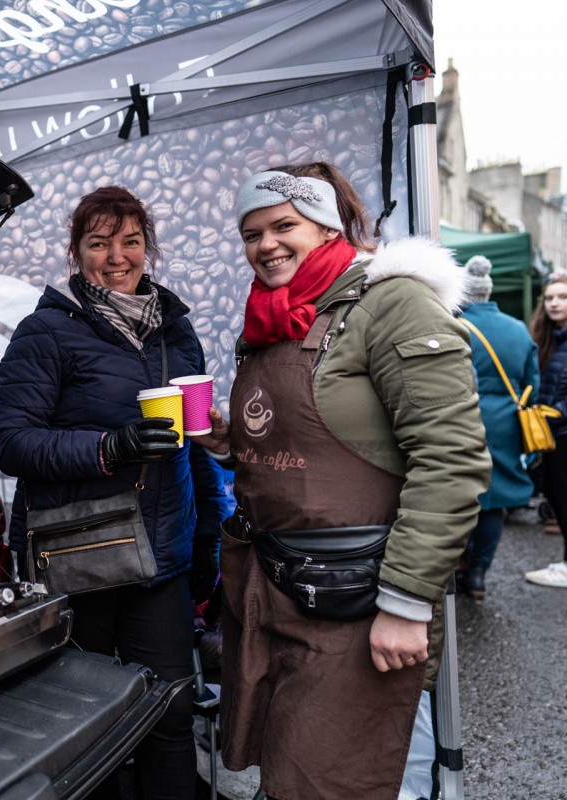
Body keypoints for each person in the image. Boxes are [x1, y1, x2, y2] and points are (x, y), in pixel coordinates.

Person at [194, 162, 490, 800]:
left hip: (361, 597)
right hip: (278, 593)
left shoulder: (391, 303)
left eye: (283, 226)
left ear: (326, 228)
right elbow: (318, 446)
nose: (266, 244)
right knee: (294, 774)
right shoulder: (274, 319)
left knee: (350, 779)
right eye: (251, 234)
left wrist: (407, 604)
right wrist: (233, 444)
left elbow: (452, 459)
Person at [0, 185, 228, 800]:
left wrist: (206, 544)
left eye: (130, 241)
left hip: (161, 559)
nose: (116, 256)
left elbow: (192, 448)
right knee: (83, 728)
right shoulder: (47, 331)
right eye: (99, 243)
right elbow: (9, 442)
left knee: (171, 715)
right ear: (76, 252)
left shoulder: (176, 333)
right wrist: (108, 448)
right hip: (78, 558)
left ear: (149, 247)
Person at [457, 255, 540, 599]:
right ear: (489, 292)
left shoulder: (452, 323)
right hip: (506, 422)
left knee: (456, 495)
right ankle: (478, 573)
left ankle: (459, 564)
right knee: (494, 498)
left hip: (462, 417)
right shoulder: (518, 329)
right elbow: (532, 382)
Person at [524, 271, 567, 588]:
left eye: (562, 297)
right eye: (550, 298)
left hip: (561, 430)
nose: (554, 303)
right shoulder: (551, 338)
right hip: (554, 433)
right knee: (555, 494)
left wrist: (554, 414)